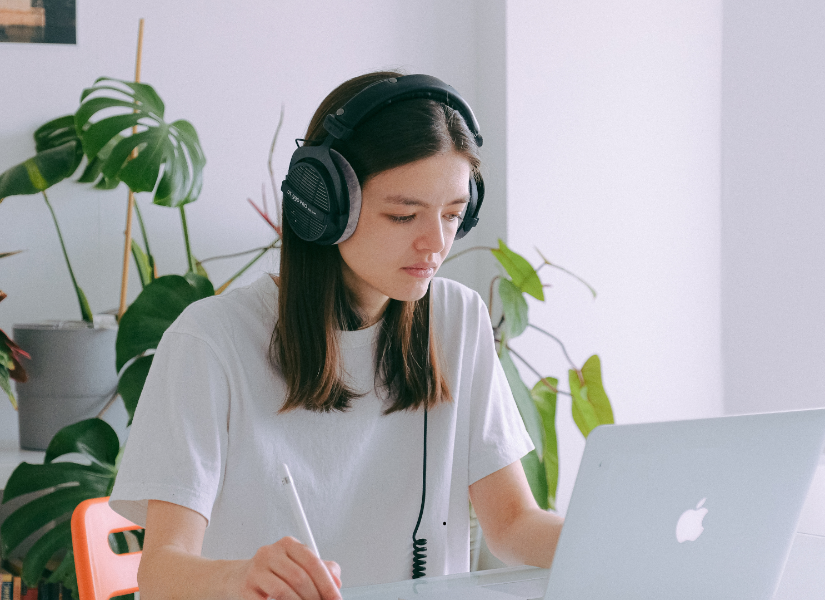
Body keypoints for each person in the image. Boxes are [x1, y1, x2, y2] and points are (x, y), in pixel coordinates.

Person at [109, 71, 564, 600]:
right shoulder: (211, 341)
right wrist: (240, 577)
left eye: (453, 215)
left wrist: (618, 539)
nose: (434, 243)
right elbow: (161, 570)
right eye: (403, 215)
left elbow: (511, 524)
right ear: (324, 207)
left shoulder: (457, 319)